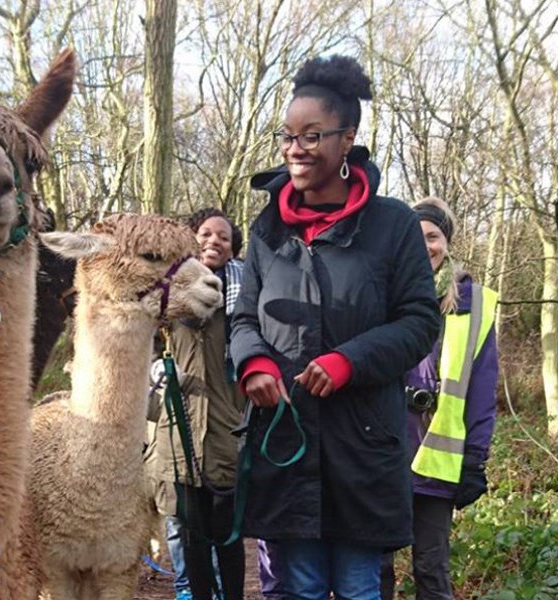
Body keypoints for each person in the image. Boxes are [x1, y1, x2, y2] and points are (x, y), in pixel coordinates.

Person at [229, 55, 441, 600]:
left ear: (347, 139)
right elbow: (244, 316)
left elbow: (419, 321)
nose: (295, 148)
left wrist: (349, 361)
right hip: (286, 442)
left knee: (356, 588)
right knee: (295, 588)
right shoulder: (267, 228)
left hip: (363, 446)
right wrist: (253, 364)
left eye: (312, 135)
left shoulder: (392, 225)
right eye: (287, 135)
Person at [379, 197, 498, 600]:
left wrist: (475, 460)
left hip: (437, 463)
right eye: (415, 236)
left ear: (446, 242)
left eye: (433, 236)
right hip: (383, 453)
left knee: (431, 568)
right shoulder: (382, 292)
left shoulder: (473, 304)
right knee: (374, 565)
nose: (425, 245)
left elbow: (482, 389)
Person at [151, 208, 246, 600]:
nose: (213, 241)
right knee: (191, 542)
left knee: (227, 539)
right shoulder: (166, 299)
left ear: (233, 248)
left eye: (223, 236)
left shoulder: (244, 300)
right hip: (180, 436)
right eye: (205, 233)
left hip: (227, 435)